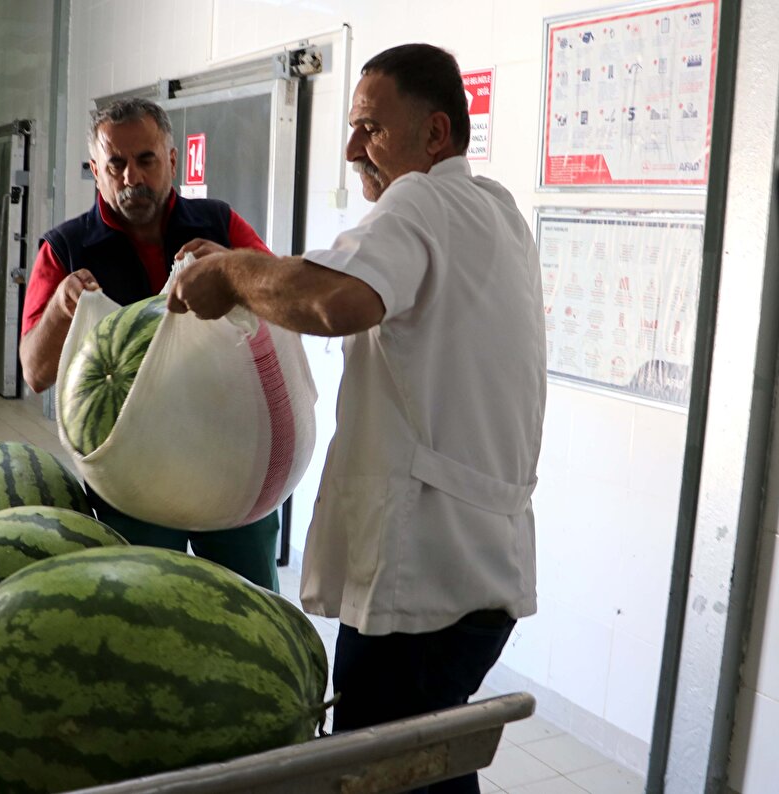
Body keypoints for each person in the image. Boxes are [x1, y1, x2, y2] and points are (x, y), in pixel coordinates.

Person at [168, 43, 545, 794]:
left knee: (377, 774)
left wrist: (229, 275)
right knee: (432, 759)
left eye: (369, 128)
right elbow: (347, 276)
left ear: (434, 135)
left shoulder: (421, 200)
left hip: (422, 579)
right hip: (484, 572)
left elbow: (336, 301)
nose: (350, 150)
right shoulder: (495, 211)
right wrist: (249, 273)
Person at [19, 97, 283, 592]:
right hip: (131, 475)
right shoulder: (64, 247)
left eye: (146, 160)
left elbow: (282, 302)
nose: (131, 178)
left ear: (173, 160)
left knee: (250, 603)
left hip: (227, 455)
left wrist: (233, 266)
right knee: (144, 610)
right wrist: (60, 308)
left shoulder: (220, 224)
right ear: (95, 171)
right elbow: (35, 372)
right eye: (115, 164)